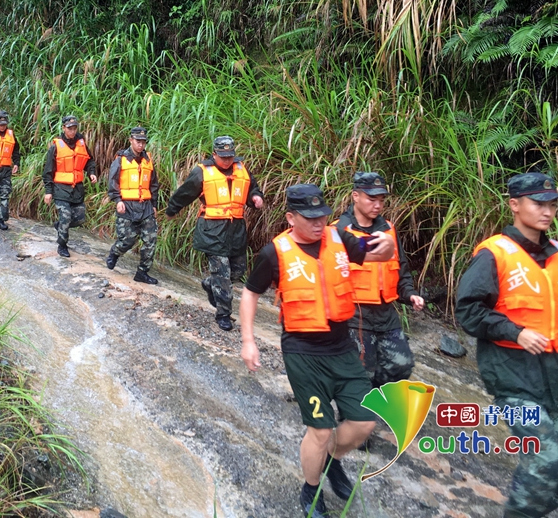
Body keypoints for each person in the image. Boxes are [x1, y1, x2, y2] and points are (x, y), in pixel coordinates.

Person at [456, 173, 558, 518]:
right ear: (514, 205)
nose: (548, 211)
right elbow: (468, 311)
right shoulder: (494, 254)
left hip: (556, 374)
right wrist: (514, 331)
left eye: (552, 203)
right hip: (511, 374)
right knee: (544, 460)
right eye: (538, 203)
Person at [240, 184, 397, 518]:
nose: (317, 223)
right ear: (290, 217)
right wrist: (248, 341)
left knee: (364, 421)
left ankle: (332, 461)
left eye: (322, 216)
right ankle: (311, 490)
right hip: (302, 351)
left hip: (341, 347)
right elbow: (250, 293)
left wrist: (386, 247)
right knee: (321, 429)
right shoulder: (274, 253)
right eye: (309, 218)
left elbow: (377, 254)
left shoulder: (340, 239)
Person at [165, 136, 264, 330]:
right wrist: (171, 210)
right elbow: (184, 193)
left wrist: (255, 198)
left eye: (230, 156)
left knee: (238, 271)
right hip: (212, 231)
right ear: (214, 154)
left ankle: (210, 283)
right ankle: (223, 314)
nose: (227, 160)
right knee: (222, 273)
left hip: (236, 231)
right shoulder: (202, 173)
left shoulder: (241, 170)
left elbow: (252, 188)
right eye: (223, 156)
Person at [336, 172, 424, 388]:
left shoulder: (388, 229)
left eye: (381, 200)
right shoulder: (339, 231)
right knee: (359, 370)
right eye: (371, 199)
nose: (377, 205)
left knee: (402, 364)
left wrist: (410, 293)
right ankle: (352, 407)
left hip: (386, 313)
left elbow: (400, 267)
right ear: (355, 196)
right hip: (355, 314)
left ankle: (373, 393)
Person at [106, 126, 160, 285]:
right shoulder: (121, 159)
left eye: (143, 142)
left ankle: (142, 272)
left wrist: (154, 204)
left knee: (151, 240)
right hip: (127, 206)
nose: (141, 145)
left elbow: (153, 184)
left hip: (146, 206)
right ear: (131, 140)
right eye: (138, 141)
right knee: (127, 240)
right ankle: (115, 253)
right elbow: (113, 182)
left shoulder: (148, 160)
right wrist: (118, 200)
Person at [43, 115, 98, 258]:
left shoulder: (82, 144)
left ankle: (60, 225)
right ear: (63, 128)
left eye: (74, 129)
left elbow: (89, 161)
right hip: (61, 188)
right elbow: (48, 171)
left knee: (80, 218)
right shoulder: (56, 147)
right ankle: (62, 245)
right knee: (66, 216)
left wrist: (91, 173)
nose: (72, 131)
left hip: (77, 189)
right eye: (69, 129)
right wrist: (48, 192)